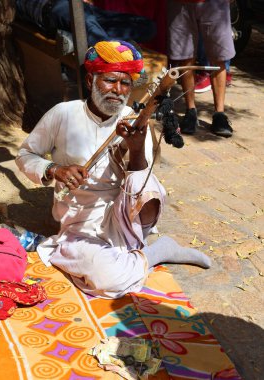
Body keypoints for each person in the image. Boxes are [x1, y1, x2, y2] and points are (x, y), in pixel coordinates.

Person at [16, 40, 211, 299]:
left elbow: (140, 184)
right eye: (110, 81)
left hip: (124, 212)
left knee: (151, 185)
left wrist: (137, 146)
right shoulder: (62, 114)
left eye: (125, 83)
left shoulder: (132, 118)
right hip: (81, 218)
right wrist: (55, 169)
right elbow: (25, 154)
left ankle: (132, 245)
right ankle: (158, 252)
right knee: (109, 280)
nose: (117, 90)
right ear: (90, 81)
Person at [167, 0, 236, 137]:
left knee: (218, 56)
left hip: (215, 4)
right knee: (185, 56)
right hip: (180, 4)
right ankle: (190, 110)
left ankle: (219, 114)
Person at [15, 0, 157, 47]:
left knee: (148, 27)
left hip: (84, 8)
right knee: (98, 38)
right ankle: (120, 63)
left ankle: (75, 36)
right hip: (54, 8)